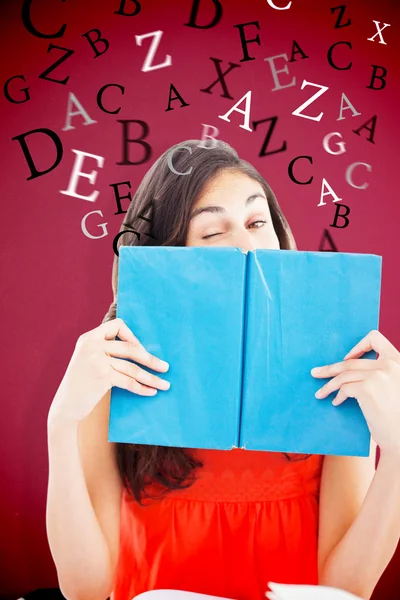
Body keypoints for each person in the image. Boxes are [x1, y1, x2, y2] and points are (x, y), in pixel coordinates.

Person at [46, 140, 400, 600]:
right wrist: (61, 424)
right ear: (167, 256)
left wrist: (396, 451)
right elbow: (84, 589)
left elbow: (347, 588)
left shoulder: (337, 372)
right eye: (213, 232)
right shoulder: (116, 376)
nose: (247, 244)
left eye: (257, 222)